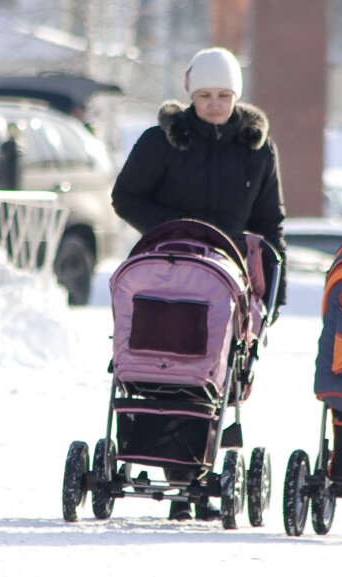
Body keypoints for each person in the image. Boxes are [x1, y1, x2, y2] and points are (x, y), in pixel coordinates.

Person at [111, 46, 287, 522]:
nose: (214, 105)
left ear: (237, 96)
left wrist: (274, 288)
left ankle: (198, 474)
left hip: (226, 279)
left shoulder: (256, 149)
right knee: (165, 364)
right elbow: (125, 197)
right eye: (206, 94)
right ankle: (177, 472)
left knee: (217, 370)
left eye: (224, 96)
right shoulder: (162, 141)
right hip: (166, 267)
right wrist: (176, 228)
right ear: (190, 91)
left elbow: (270, 222)